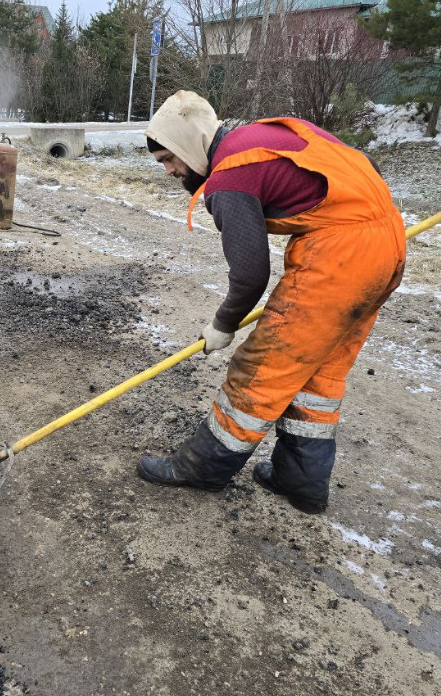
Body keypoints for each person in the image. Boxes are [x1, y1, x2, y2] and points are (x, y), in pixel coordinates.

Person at [136, 91, 405, 514]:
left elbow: (249, 275)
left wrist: (223, 324)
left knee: (261, 368)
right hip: (385, 241)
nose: (169, 171)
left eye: (168, 159)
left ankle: (202, 467)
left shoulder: (230, 176)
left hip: (341, 259)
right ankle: (300, 483)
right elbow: (359, 163)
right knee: (318, 374)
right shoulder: (262, 136)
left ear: (189, 145)